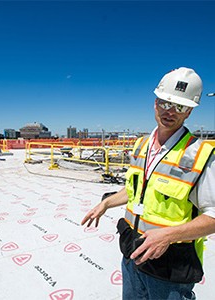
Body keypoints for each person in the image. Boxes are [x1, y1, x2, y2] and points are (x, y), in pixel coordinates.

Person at [81, 67, 215, 300]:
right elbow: (135, 191)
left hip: (170, 269)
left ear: (189, 113)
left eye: (180, 107)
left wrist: (168, 235)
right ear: (155, 103)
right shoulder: (141, 145)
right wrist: (107, 204)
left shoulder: (201, 155)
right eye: (165, 103)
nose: (170, 111)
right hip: (132, 255)